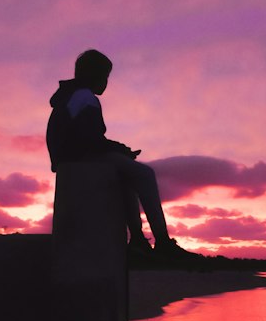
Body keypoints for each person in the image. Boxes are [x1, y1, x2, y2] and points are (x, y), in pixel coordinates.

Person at [46, 49, 195, 260]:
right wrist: (120, 150)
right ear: (94, 75)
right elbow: (90, 140)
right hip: (78, 157)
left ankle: (137, 240)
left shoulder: (70, 96)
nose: (107, 82)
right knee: (144, 174)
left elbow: (87, 136)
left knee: (126, 176)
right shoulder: (85, 97)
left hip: (69, 157)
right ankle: (162, 241)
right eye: (105, 76)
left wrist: (118, 150)